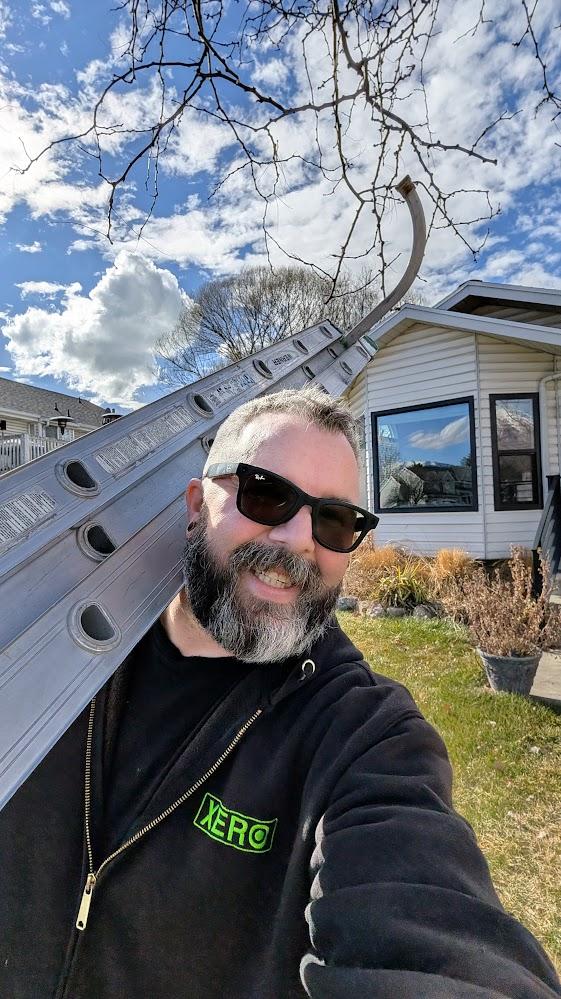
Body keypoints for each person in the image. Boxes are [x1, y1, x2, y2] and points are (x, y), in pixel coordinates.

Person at [0, 386, 559, 999]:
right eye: (266, 494)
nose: (297, 539)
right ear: (196, 506)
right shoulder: (48, 657)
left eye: (335, 520)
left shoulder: (365, 735)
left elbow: (433, 936)